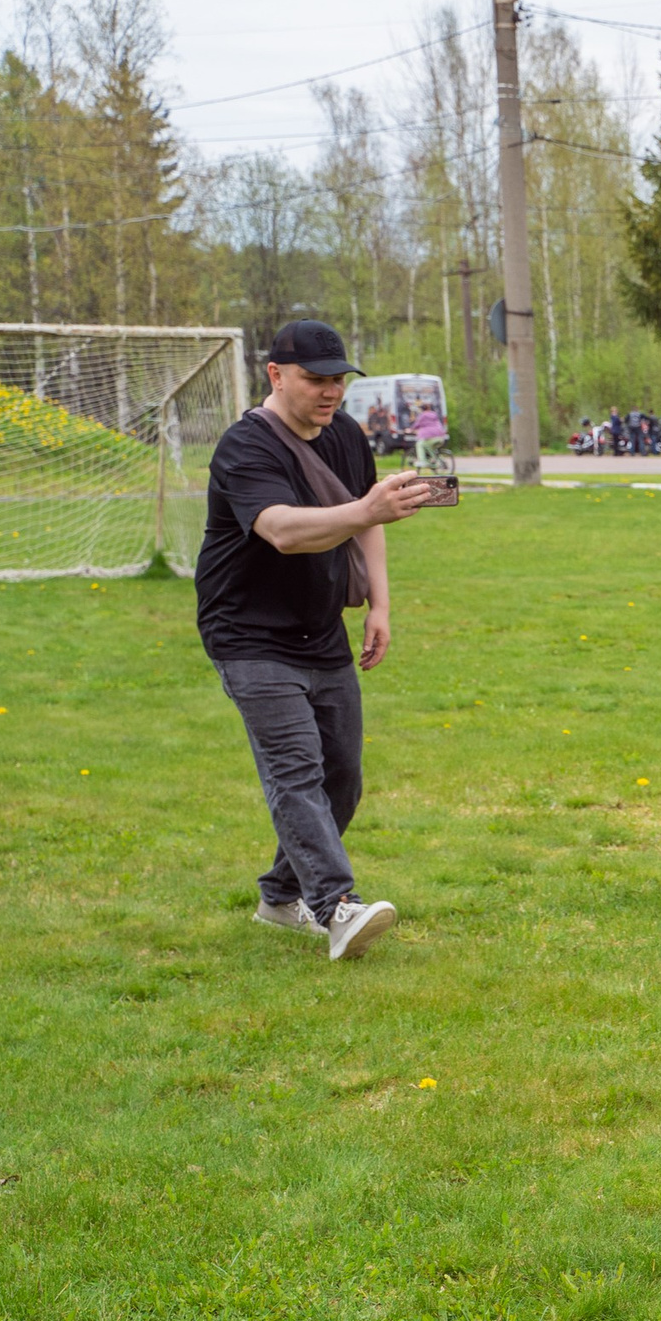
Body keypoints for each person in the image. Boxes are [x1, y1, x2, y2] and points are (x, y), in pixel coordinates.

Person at [194, 321, 434, 961]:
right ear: (276, 375)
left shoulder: (346, 435)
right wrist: (367, 511)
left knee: (342, 778)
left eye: (338, 380)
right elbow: (282, 530)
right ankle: (336, 907)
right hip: (247, 633)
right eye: (315, 379)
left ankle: (279, 897)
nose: (331, 391)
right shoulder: (246, 446)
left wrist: (380, 604)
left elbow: (366, 518)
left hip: (320, 627)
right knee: (296, 771)